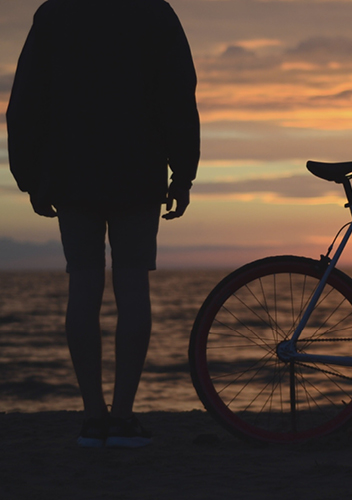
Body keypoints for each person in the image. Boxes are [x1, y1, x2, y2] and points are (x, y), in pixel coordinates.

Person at [6, 0, 200, 448]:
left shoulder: (55, 13)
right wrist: (183, 173)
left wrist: (29, 177)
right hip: (137, 170)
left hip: (72, 174)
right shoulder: (154, 13)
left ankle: (94, 418)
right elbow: (177, 94)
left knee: (84, 287)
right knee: (132, 289)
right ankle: (123, 417)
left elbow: (26, 99)